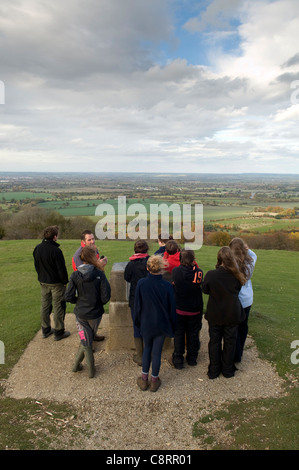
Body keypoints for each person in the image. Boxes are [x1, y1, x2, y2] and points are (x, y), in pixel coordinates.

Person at [64, 246, 111, 378]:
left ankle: (78, 366)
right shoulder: (99, 274)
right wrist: (96, 302)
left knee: (85, 339)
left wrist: (78, 301)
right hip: (95, 314)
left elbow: (68, 296)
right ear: (94, 257)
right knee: (86, 340)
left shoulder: (75, 275)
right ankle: (90, 369)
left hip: (80, 314)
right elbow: (106, 296)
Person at [202, 246, 246, 379]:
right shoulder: (237, 275)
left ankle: (214, 370)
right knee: (230, 341)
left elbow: (205, 289)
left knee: (214, 341)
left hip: (216, 312)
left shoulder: (211, 274)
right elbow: (237, 290)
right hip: (232, 312)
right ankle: (227, 370)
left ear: (219, 258)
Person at [134, 255, 176, 392]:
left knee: (147, 349)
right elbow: (172, 308)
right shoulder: (168, 286)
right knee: (157, 352)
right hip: (161, 323)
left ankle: (144, 379)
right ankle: (154, 381)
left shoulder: (141, 283)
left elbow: (137, 306)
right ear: (162, 269)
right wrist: (173, 325)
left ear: (147, 268)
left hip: (146, 322)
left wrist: (137, 322)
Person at [33, 225, 70, 341]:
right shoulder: (56, 251)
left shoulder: (37, 248)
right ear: (54, 237)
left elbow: (36, 265)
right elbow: (61, 269)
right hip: (56, 283)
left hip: (43, 282)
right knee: (58, 306)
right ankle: (59, 332)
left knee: (45, 305)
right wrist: (65, 282)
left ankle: (45, 329)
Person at [72, 230, 108, 341]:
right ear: (83, 241)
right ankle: (86, 342)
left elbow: (93, 264)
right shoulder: (79, 254)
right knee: (87, 315)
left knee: (95, 314)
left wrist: (99, 263)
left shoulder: (94, 249)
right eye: (89, 239)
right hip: (84, 288)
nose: (92, 241)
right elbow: (84, 273)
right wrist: (100, 265)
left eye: (93, 238)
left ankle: (92, 335)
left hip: (94, 286)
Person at [171, 250, 204, 369]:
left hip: (180, 307)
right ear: (193, 259)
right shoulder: (199, 273)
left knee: (179, 333)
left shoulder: (176, 271)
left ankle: (178, 358)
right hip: (194, 308)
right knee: (193, 333)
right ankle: (192, 358)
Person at [229, 237, 257, 362]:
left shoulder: (231, 263)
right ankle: (239, 354)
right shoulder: (251, 261)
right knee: (243, 326)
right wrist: (246, 247)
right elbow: (252, 253)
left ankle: (233, 353)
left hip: (235, 299)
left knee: (233, 327)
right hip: (247, 299)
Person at [124, 240, 150, 365]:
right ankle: (148, 353)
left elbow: (126, 278)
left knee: (137, 325)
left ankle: (140, 356)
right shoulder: (150, 262)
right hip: (149, 299)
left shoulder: (131, 265)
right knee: (148, 325)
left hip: (135, 299)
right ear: (147, 250)